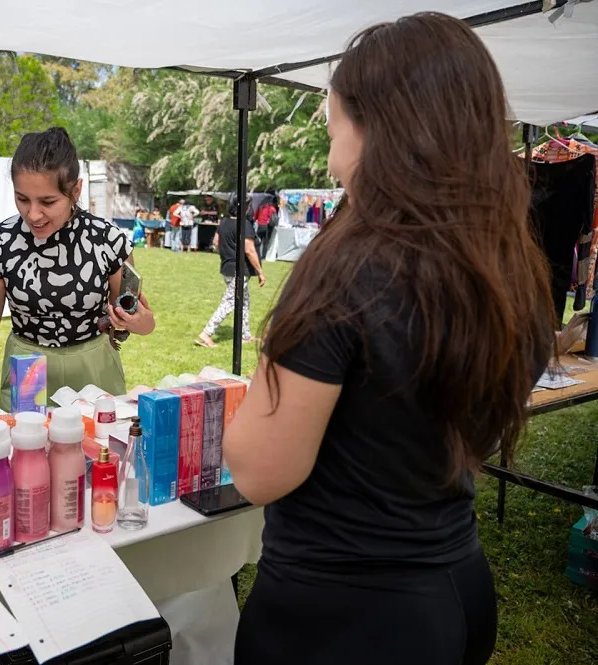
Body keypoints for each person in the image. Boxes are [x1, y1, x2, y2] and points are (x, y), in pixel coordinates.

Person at [223, 13, 554, 665]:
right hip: (455, 584)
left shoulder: (350, 267)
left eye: (334, 126)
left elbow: (261, 469)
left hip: (344, 615)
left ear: (378, 127)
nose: (329, 152)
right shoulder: (513, 263)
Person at [0, 127, 156, 410]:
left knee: (98, 449)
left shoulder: (107, 240)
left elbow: (134, 319)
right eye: (22, 199)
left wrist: (139, 323)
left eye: (48, 202)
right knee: (28, 448)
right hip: (28, 373)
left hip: (95, 373)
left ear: (76, 191)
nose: (33, 214)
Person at [197, 195, 265, 348]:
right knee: (230, 302)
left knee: (244, 301)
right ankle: (206, 334)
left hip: (227, 268)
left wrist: (227, 254)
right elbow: (249, 250)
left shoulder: (224, 222)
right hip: (239, 271)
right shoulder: (244, 225)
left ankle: (245, 334)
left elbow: (215, 242)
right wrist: (260, 272)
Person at [254, 192, 278, 259]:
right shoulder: (272, 208)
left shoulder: (260, 207)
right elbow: (274, 218)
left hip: (260, 226)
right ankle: (263, 256)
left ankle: (257, 255)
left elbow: (255, 216)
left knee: (258, 241)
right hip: (267, 227)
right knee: (265, 243)